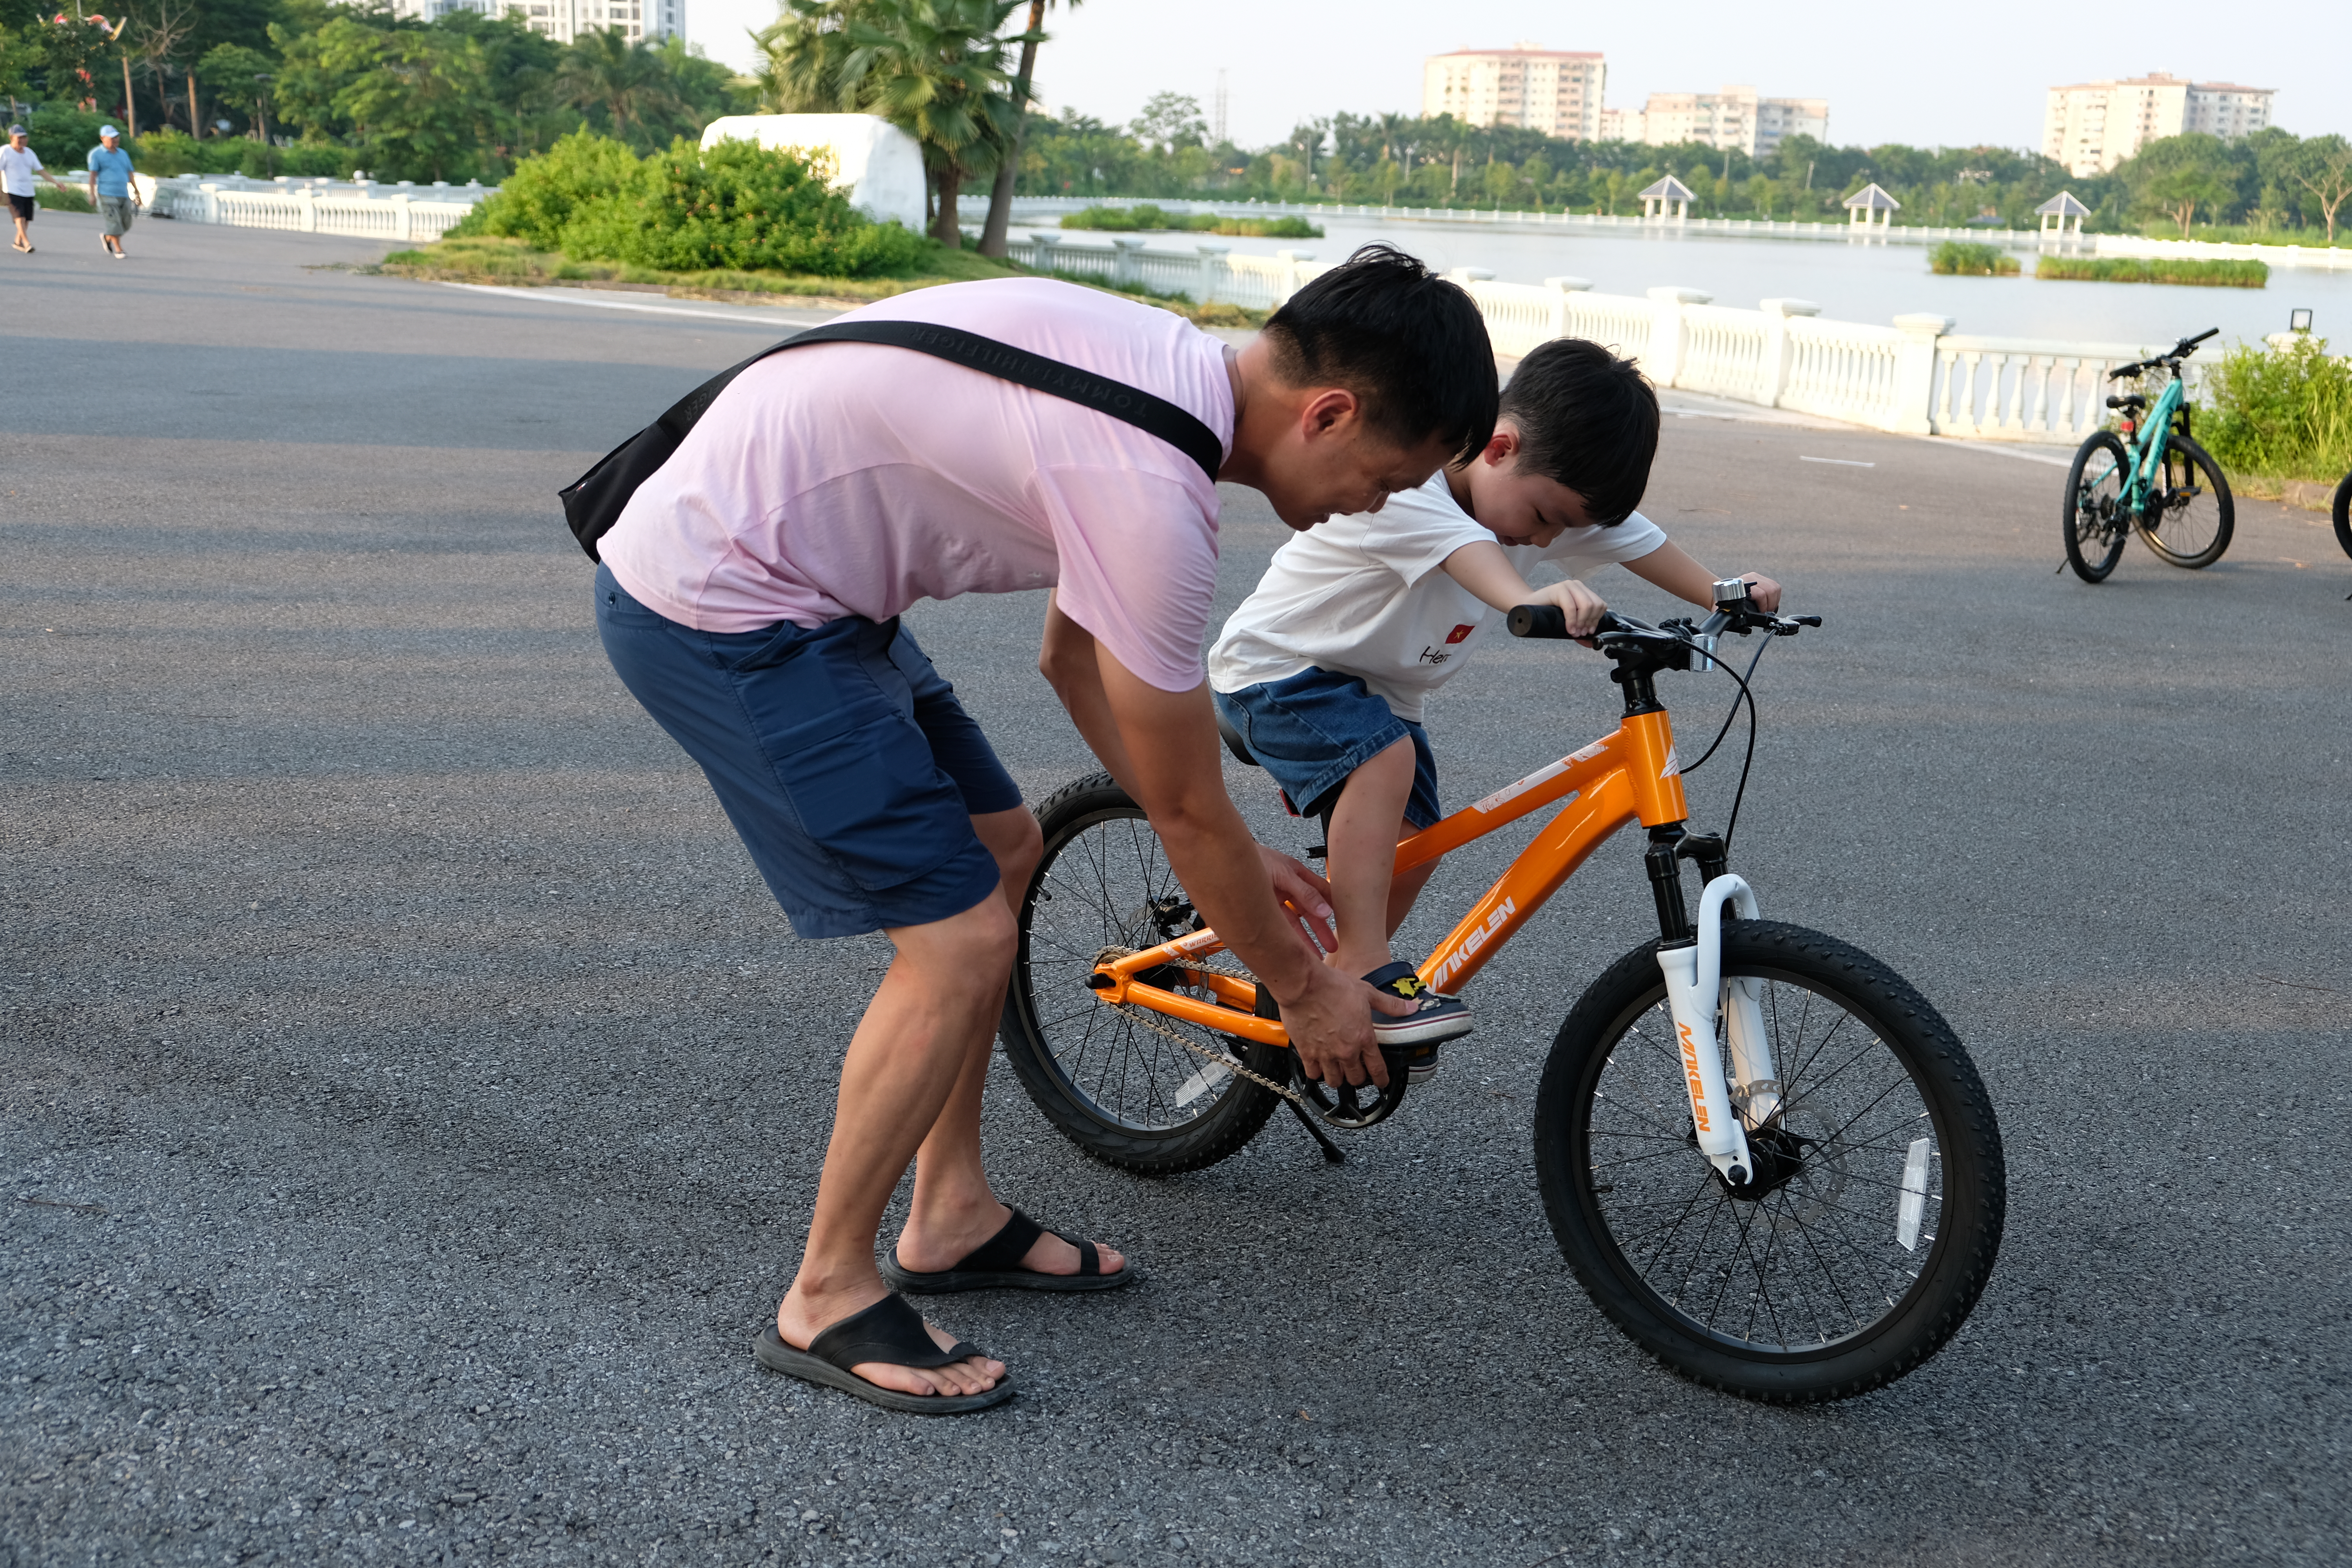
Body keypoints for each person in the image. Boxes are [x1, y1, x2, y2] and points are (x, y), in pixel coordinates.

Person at [591, 246, 1497, 1414]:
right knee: (959, 941)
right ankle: (824, 1292)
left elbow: (1070, 660)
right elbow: (1184, 806)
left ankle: (950, 1211)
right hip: (725, 603)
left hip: (813, 591)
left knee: (1005, 848)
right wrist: (1305, 990)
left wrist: (1227, 849)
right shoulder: (1150, 487)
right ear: (1328, 413)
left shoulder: (1169, 374)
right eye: (1388, 477)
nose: (1376, 505)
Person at [1208, 336, 1783, 1072]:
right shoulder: (1409, 490)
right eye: (1544, 517)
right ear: (1499, 447)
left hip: (1381, 694)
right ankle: (1361, 963)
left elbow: (1634, 541)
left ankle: (1334, 979)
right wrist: (1530, 595)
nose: (1545, 537)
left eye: (1561, 529)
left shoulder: (1533, 492)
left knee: (1416, 840)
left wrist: (1724, 593)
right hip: (1278, 671)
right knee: (1386, 762)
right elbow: (1471, 555)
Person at [3, 125, 75, 254]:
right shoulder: (5, 152)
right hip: (12, 190)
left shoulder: (29, 153)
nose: (23, 140)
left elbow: (41, 171)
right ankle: (27, 243)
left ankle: (18, 241)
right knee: (20, 217)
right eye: (19, 138)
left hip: (28, 190)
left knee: (27, 218)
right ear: (12, 138)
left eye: (24, 137)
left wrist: (56, 182)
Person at [86, 126, 138, 259]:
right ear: (102, 138)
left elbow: (130, 173)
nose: (115, 140)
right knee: (114, 222)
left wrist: (137, 191)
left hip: (123, 193)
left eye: (117, 137)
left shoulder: (123, 154)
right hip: (107, 193)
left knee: (126, 223)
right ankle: (119, 249)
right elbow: (93, 176)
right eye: (112, 138)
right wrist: (92, 195)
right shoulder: (96, 154)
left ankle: (108, 237)